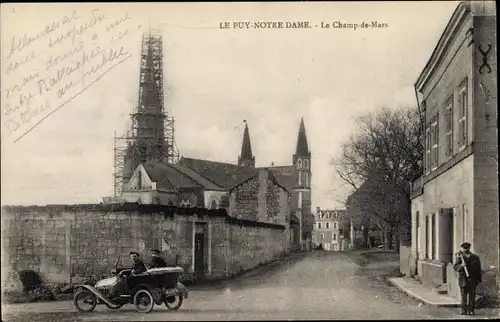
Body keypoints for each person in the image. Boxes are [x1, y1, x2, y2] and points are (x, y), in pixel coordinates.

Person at [453, 242, 482, 315]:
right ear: (462, 249)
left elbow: (478, 269)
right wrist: (462, 266)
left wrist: (479, 279)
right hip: (463, 279)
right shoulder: (460, 257)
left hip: (472, 278)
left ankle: (471, 310)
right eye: (464, 248)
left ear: (469, 248)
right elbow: (455, 267)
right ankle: (463, 310)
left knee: (472, 295)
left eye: (467, 248)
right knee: (463, 295)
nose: (466, 249)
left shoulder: (475, 257)